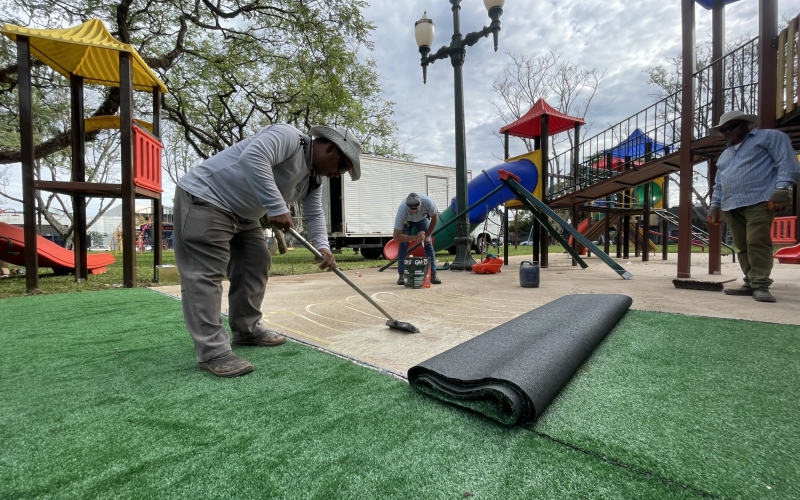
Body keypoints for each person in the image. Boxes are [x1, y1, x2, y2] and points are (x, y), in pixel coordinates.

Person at [173, 124, 362, 377]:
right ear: (330, 148)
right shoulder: (289, 137)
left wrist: (323, 246)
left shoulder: (313, 179)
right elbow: (252, 157)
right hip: (207, 198)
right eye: (342, 167)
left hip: (245, 214)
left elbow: (314, 214)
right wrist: (276, 206)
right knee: (204, 274)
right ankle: (213, 351)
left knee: (256, 261)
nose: (337, 175)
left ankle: (247, 330)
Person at [707, 110, 800, 303]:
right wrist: (714, 206)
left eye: (732, 126)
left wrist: (782, 189)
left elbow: (786, 162)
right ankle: (750, 282)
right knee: (742, 246)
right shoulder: (725, 155)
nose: (728, 131)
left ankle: (761, 284)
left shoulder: (770, 137)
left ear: (745, 123)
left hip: (759, 199)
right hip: (731, 204)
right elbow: (720, 183)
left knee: (756, 242)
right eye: (724, 129)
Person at [394, 192, 441, 285]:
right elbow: (396, 237)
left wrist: (427, 235)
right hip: (407, 221)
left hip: (422, 219)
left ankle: (433, 273)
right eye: (411, 210)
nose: (414, 212)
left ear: (420, 205)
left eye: (416, 210)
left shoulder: (427, 202)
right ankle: (402, 274)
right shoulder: (402, 210)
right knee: (403, 244)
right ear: (407, 207)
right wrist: (415, 237)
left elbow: (435, 218)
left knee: (428, 244)